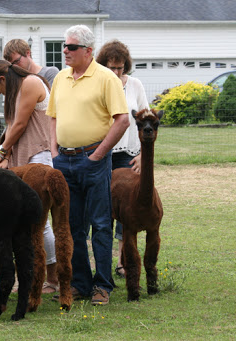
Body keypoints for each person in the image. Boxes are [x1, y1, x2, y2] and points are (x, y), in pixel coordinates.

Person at [46, 25, 129, 306]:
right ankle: (81, 283)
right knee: (71, 226)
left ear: (88, 51)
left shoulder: (106, 78)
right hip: (64, 162)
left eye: (71, 47)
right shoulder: (60, 78)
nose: (65, 50)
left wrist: (97, 155)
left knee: (102, 225)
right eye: (64, 45)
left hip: (93, 160)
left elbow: (122, 120)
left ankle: (103, 286)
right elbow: (53, 117)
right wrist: (55, 151)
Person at [0, 59, 59, 294]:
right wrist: (4, 156)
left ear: (4, 79)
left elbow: (19, 125)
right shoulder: (17, 90)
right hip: (24, 160)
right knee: (26, 221)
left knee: (40, 221)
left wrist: (1, 151)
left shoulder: (29, 83)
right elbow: (11, 128)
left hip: (38, 157)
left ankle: (53, 278)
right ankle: (33, 275)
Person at [96, 39, 150, 279]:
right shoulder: (98, 85)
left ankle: (123, 260)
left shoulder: (135, 85)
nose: (116, 72)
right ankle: (100, 262)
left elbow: (145, 118)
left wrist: (141, 154)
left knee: (128, 209)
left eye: (120, 68)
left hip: (128, 156)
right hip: (102, 153)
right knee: (102, 208)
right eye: (111, 67)